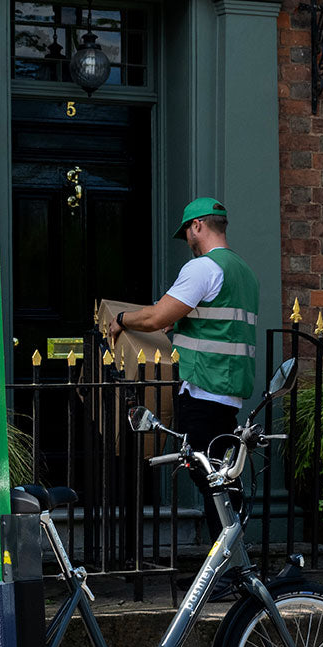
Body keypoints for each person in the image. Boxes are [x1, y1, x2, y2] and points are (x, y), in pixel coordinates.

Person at [109, 197, 259, 541]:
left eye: (188, 233)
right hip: (229, 389)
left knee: (209, 477)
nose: (188, 241)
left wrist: (120, 320)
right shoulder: (244, 273)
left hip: (202, 388)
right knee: (220, 476)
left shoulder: (203, 268)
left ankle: (229, 565)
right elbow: (220, 327)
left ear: (198, 226)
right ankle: (233, 562)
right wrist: (180, 328)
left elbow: (154, 317)